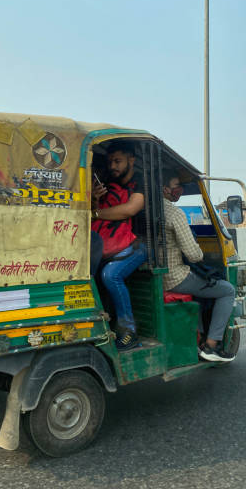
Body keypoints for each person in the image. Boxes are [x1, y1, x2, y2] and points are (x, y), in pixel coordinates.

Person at [162, 171, 236, 362]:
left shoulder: (144, 209)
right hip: (174, 278)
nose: (180, 190)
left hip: (155, 277)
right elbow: (194, 255)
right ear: (165, 189)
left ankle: (198, 337)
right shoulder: (174, 213)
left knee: (202, 287)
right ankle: (211, 346)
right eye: (177, 185)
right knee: (226, 290)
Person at [91, 142, 147, 351]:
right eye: (110, 162)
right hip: (112, 243)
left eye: (118, 161)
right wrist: (95, 200)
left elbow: (130, 210)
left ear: (131, 160)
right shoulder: (107, 182)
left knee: (111, 275)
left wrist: (95, 213)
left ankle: (129, 332)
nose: (113, 166)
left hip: (139, 243)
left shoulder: (141, 182)